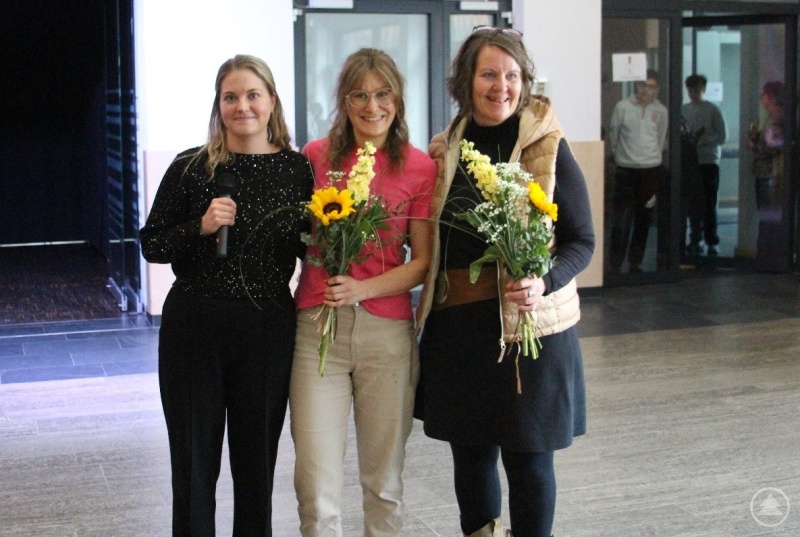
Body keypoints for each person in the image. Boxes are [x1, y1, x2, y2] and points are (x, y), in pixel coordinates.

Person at [415, 26, 595, 537]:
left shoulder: (548, 147)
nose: (501, 86)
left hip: (530, 335)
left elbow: (581, 240)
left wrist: (544, 279)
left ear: (525, 81)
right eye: (488, 73)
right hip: (459, 334)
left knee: (530, 462)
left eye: (511, 75)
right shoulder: (444, 151)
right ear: (465, 82)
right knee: (470, 460)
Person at [139, 54, 313, 536]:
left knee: (256, 466)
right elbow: (152, 242)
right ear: (218, 105)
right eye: (230, 97)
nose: (243, 106)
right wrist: (201, 225)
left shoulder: (298, 171)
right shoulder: (192, 167)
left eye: (253, 95)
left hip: (266, 328)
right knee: (194, 467)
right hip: (194, 327)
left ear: (272, 101)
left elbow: (311, 244)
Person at [290, 48, 437, 536]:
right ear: (344, 100)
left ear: (397, 98)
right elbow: (302, 235)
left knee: (384, 484)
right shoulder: (316, 157)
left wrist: (361, 288)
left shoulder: (418, 167)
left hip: (387, 334)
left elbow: (421, 263)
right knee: (316, 488)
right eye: (359, 95)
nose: (372, 106)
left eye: (382, 94)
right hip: (317, 332)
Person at [606, 69, 668, 273]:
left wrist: (652, 158)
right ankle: (615, 264)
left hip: (650, 170)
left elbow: (660, 139)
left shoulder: (661, 111)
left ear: (656, 89)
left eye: (650, 86)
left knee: (644, 218)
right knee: (622, 218)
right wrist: (619, 156)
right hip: (626, 169)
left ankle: (635, 262)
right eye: (642, 85)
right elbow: (613, 135)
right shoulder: (622, 107)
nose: (645, 90)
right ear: (636, 86)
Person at [681, 74, 727, 257]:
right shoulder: (683, 110)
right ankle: (695, 238)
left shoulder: (713, 110)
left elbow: (722, 136)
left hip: (708, 161)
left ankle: (711, 240)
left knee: (708, 203)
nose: (693, 93)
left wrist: (704, 141)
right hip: (690, 162)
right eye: (691, 90)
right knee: (693, 204)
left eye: (697, 90)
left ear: (703, 89)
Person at [748, 80, 786, 272]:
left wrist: (756, 145)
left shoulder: (778, 118)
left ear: (770, 97)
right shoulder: (770, 118)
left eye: (764, 95)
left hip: (771, 175)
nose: (761, 98)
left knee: (769, 218)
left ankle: (768, 258)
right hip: (766, 174)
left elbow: (774, 147)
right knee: (767, 217)